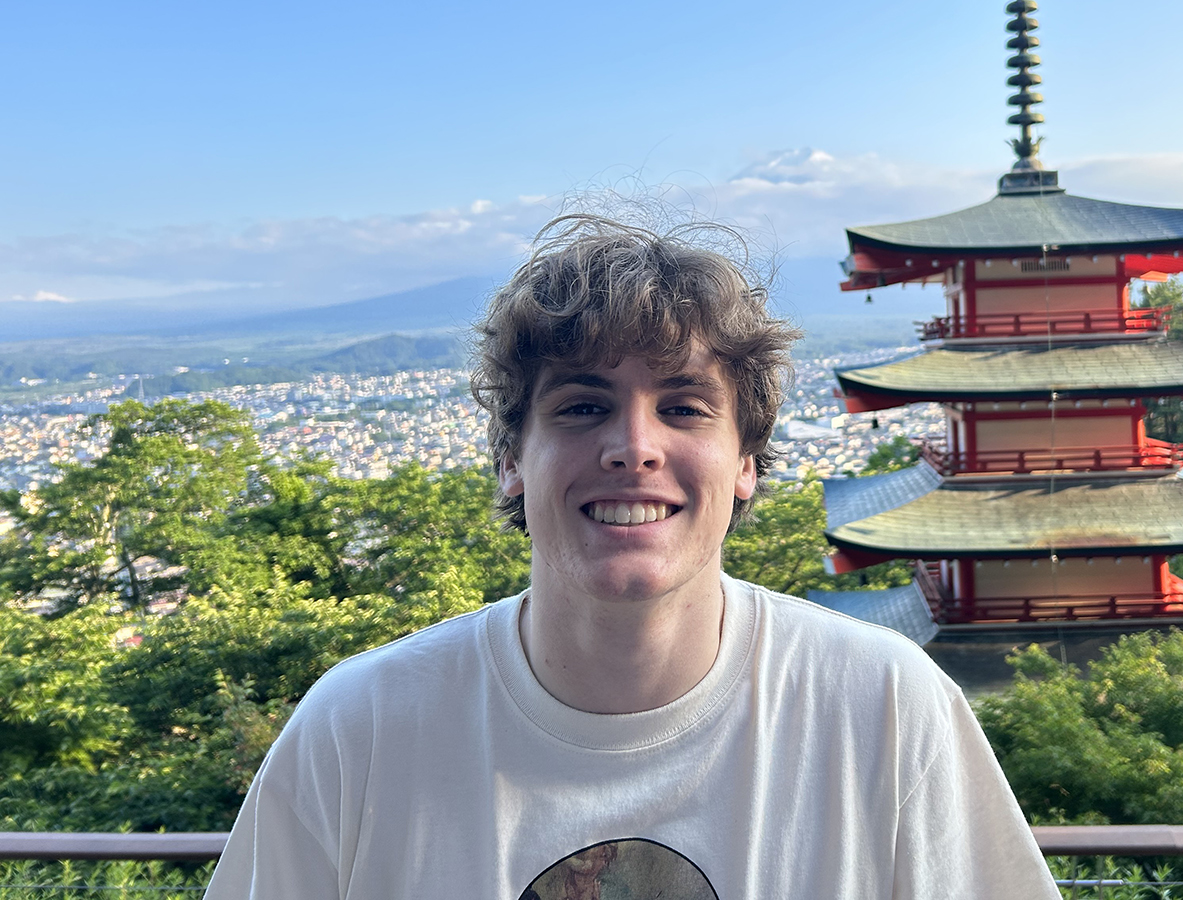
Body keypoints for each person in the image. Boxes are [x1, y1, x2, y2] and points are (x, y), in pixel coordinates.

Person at [204, 215, 1059, 899]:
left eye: (685, 408)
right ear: (511, 460)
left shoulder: (880, 708)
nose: (633, 447)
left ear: (747, 464)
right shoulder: (360, 730)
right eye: (581, 408)